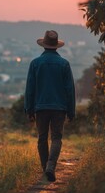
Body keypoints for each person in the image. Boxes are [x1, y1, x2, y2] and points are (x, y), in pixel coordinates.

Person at [24, 30, 76, 182]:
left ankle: (44, 169)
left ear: (44, 45)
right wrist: (71, 111)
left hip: (40, 107)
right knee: (56, 138)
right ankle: (50, 167)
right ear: (56, 46)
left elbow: (30, 88)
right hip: (59, 108)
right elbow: (70, 90)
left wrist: (29, 108)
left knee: (42, 138)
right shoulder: (64, 64)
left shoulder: (35, 63)